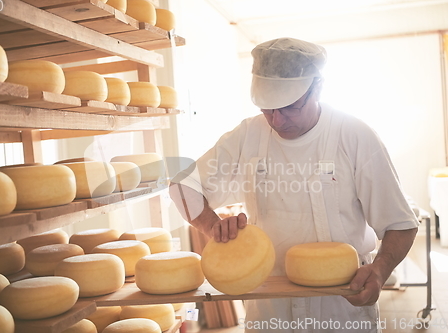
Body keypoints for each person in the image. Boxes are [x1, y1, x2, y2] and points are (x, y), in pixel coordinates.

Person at [169, 37, 419, 333]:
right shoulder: (248, 136)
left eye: (288, 107)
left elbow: (401, 223)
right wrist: (212, 226)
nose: (276, 119)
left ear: (318, 88)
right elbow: (182, 185)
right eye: (266, 107)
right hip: (270, 306)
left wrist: (379, 270)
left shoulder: (354, 136)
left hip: (340, 306)